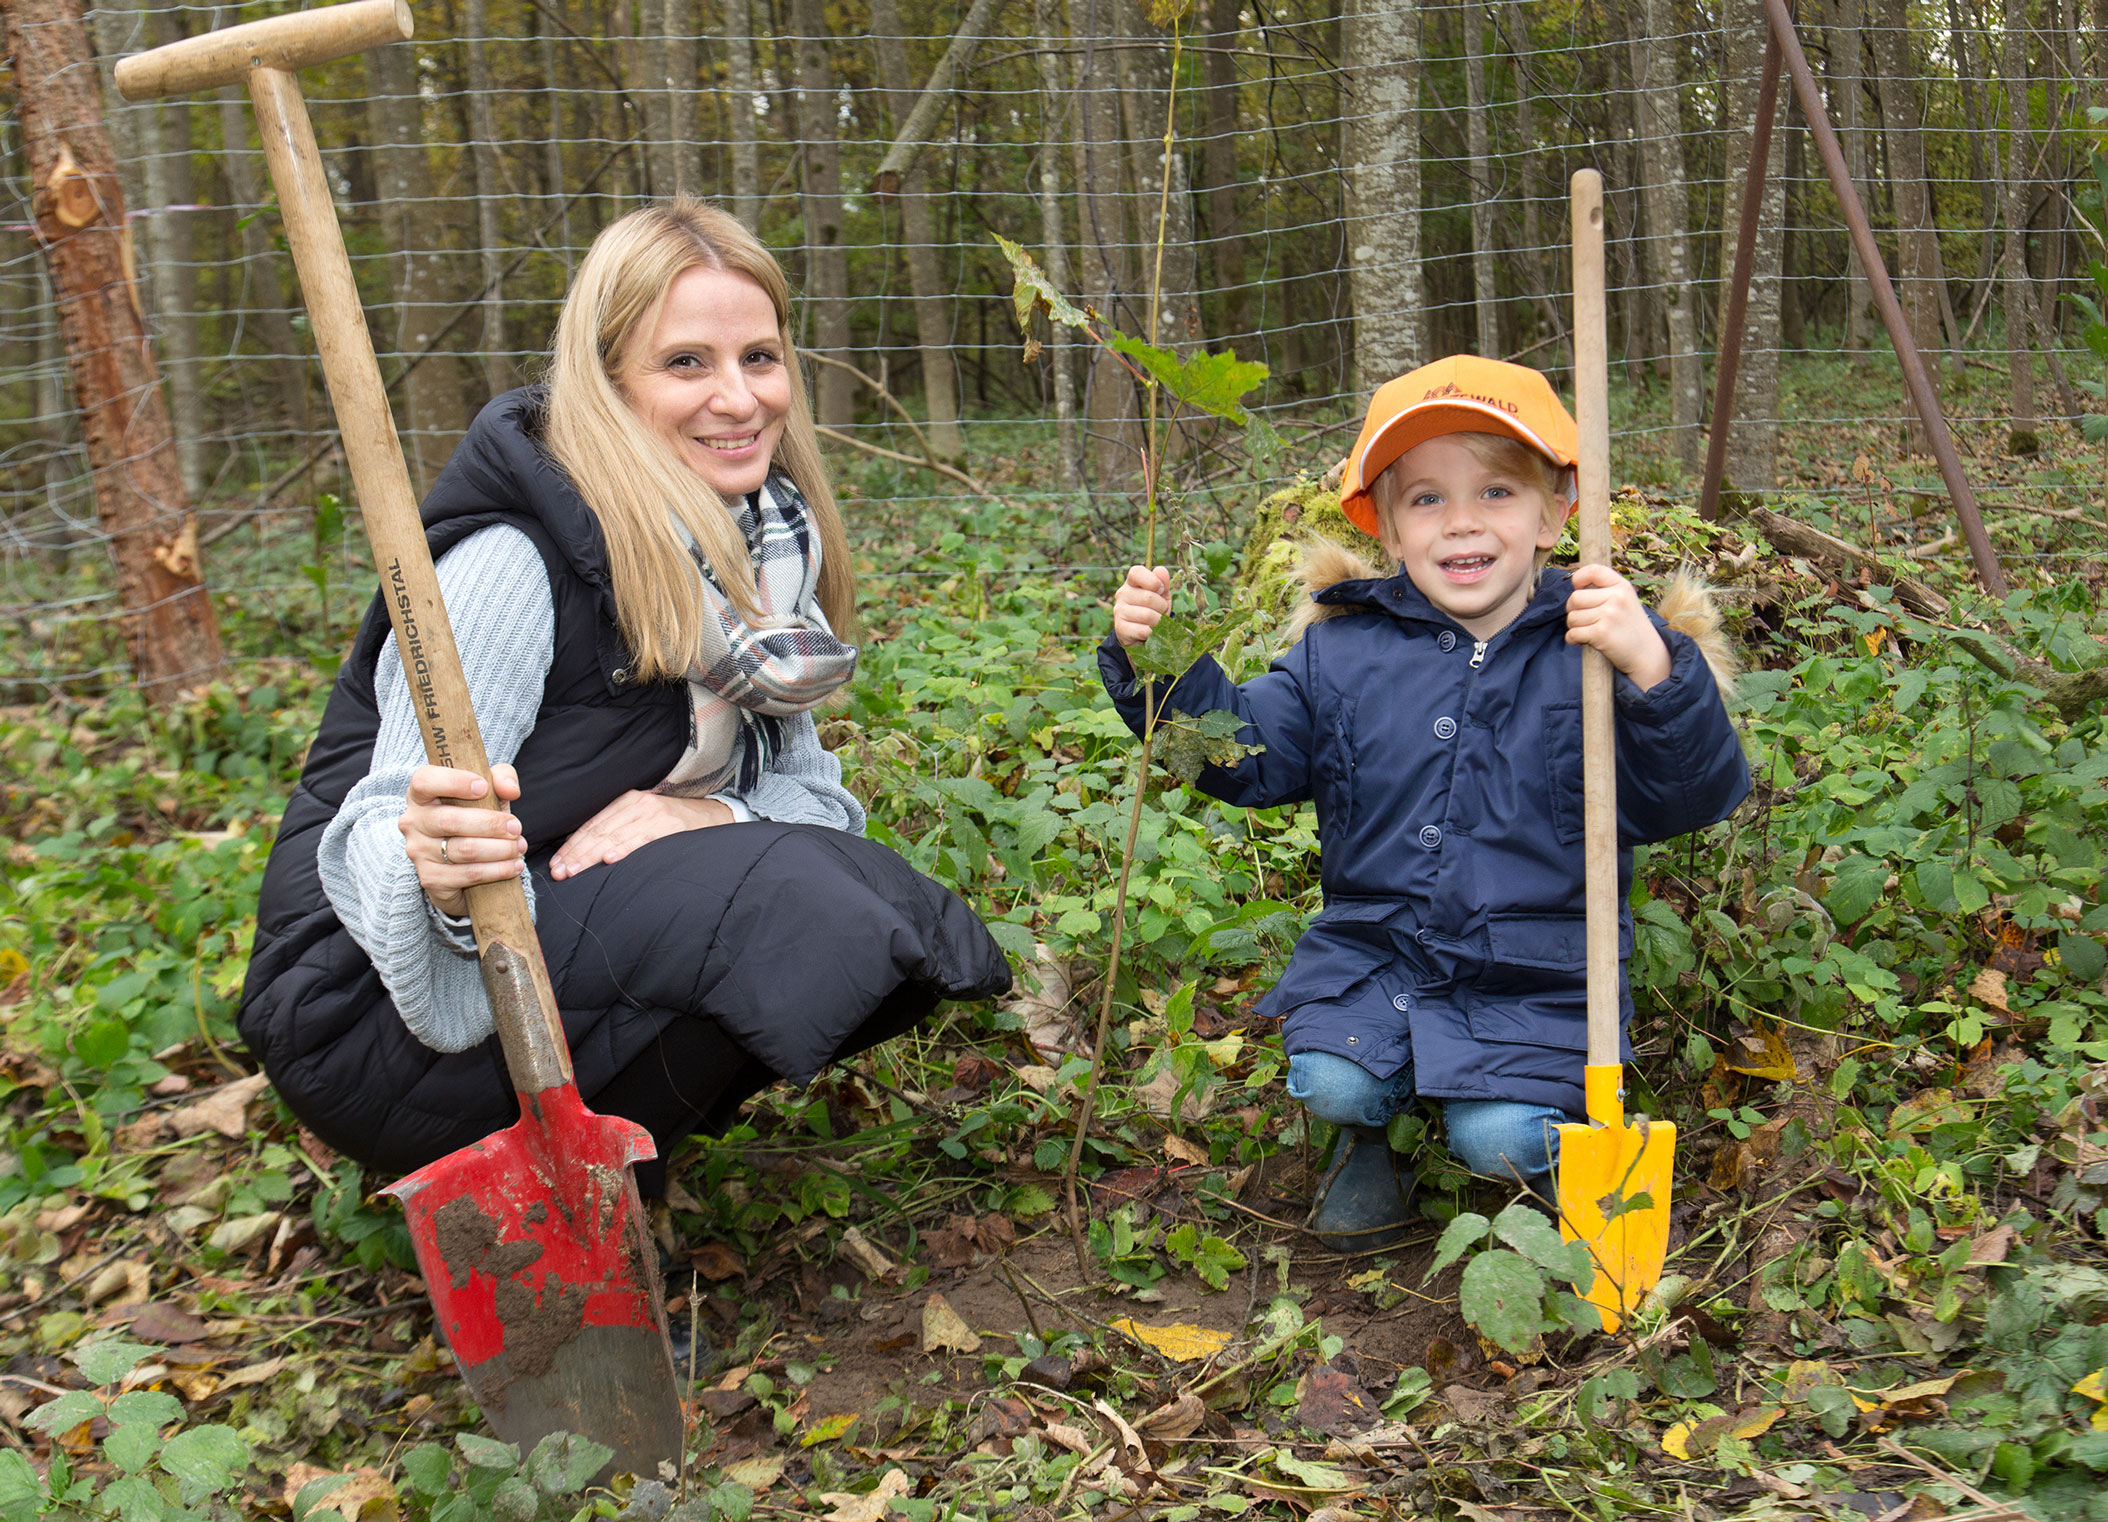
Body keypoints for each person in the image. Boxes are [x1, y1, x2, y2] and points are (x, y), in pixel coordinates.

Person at [240, 201, 1010, 1193]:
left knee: (861, 909)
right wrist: (433, 861)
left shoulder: (758, 560)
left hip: (562, 940)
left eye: (759, 358)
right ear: (607, 385)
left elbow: (820, 799)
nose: (737, 397)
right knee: (800, 903)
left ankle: (598, 1183)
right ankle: (503, 1174)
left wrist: (700, 810)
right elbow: (383, 823)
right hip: (369, 1016)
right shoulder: (509, 565)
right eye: (685, 362)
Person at [1101, 355, 1748, 1248]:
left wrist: (1653, 668)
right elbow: (1242, 760)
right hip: (1380, 957)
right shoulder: (1346, 653)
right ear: (1388, 526)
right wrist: (1157, 660)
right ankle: (1370, 1141)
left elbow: (1695, 794)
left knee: (1499, 1140)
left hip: (1537, 976)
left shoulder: (1598, 648)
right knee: (1333, 1078)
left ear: (1557, 511)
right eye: (1428, 500)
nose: (1462, 525)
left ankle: (1541, 1157)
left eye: (1495, 492)